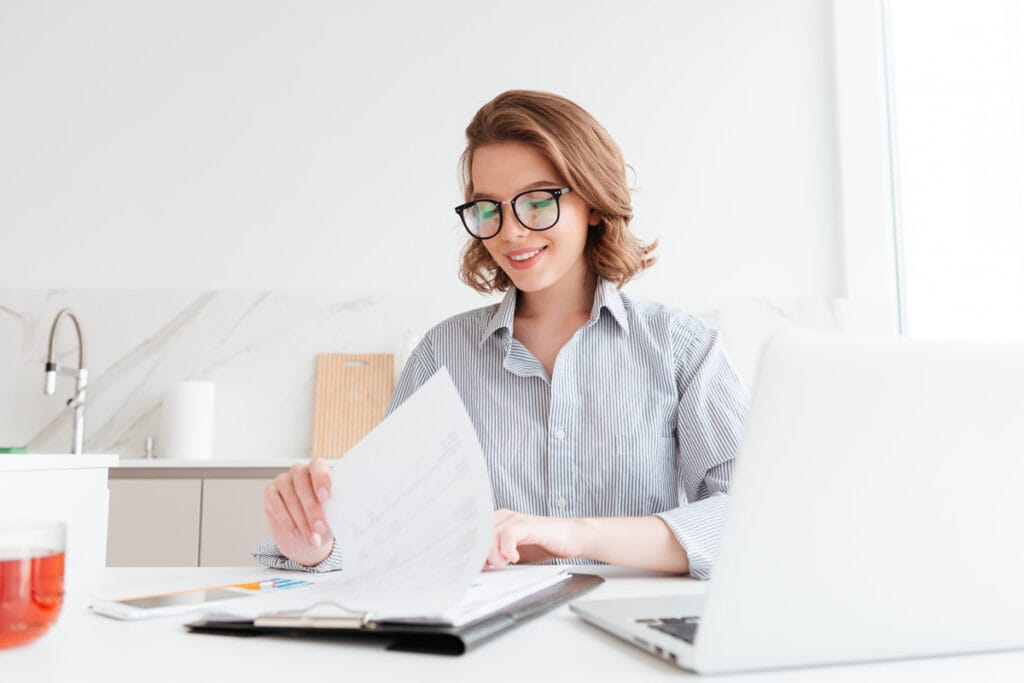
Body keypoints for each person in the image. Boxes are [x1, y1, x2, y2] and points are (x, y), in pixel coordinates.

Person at [255, 90, 747, 580]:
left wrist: (577, 535)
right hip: (480, 641)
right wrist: (317, 544)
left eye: (536, 201)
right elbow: (390, 535)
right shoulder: (442, 355)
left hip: (629, 638)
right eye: (489, 208)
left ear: (593, 203)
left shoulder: (683, 348)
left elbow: (746, 518)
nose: (510, 231)